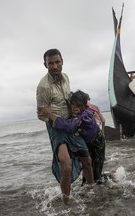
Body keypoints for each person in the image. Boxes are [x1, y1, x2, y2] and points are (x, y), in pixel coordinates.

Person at [36, 49, 94, 205]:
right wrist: (54, 117)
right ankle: (66, 203)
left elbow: (69, 99)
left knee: (87, 160)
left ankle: (92, 190)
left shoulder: (66, 77)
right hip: (56, 128)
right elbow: (41, 114)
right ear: (45, 65)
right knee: (66, 165)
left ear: (62, 62)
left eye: (57, 62)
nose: (54, 66)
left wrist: (86, 107)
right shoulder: (43, 86)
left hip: (71, 123)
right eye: (51, 63)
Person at [41, 90, 106, 185]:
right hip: (88, 142)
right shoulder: (79, 113)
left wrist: (52, 116)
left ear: (85, 106)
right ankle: (88, 185)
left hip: (97, 143)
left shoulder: (85, 115)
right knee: (87, 167)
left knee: (96, 169)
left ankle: (102, 184)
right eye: (73, 105)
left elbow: (71, 126)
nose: (75, 108)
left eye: (78, 105)